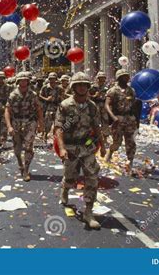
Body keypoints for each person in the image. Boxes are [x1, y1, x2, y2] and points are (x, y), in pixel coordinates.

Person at [54, 72, 105, 229]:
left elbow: (96, 127)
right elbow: (59, 128)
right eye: (79, 85)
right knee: (71, 177)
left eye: (85, 84)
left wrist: (102, 145)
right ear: (73, 87)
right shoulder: (65, 105)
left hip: (87, 146)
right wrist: (62, 148)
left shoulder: (92, 106)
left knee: (92, 177)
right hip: (70, 148)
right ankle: (65, 188)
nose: (82, 87)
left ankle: (88, 212)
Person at [5, 71, 44, 181]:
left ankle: (26, 169)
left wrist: (41, 124)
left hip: (30, 122)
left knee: (28, 147)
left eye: (25, 80)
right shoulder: (13, 95)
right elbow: (7, 111)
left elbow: (39, 109)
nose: (23, 82)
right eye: (21, 80)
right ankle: (20, 163)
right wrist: (9, 126)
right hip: (16, 122)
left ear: (28, 81)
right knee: (17, 150)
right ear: (18, 81)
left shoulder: (33, 94)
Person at [104, 69, 138, 173]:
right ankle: (110, 152)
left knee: (131, 142)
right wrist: (113, 117)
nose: (127, 78)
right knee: (117, 142)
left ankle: (130, 161)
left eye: (127, 76)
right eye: (124, 76)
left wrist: (137, 120)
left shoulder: (131, 90)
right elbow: (107, 104)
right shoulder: (113, 90)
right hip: (118, 119)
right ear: (119, 78)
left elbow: (134, 105)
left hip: (130, 120)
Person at [89, 71, 110, 149]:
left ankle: (105, 139)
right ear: (97, 79)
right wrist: (94, 96)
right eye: (100, 78)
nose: (101, 80)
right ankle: (92, 139)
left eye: (103, 78)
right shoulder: (92, 87)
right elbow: (87, 96)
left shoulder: (107, 87)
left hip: (103, 105)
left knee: (105, 121)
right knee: (94, 122)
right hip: (95, 105)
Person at [39, 72, 60, 142]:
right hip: (48, 107)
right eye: (51, 79)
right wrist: (46, 99)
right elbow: (40, 95)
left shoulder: (58, 88)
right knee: (48, 123)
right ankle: (45, 135)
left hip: (57, 107)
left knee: (57, 123)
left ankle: (55, 138)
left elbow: (62, 96)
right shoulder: (45, 87)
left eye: (53, 79)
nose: (52, 80)